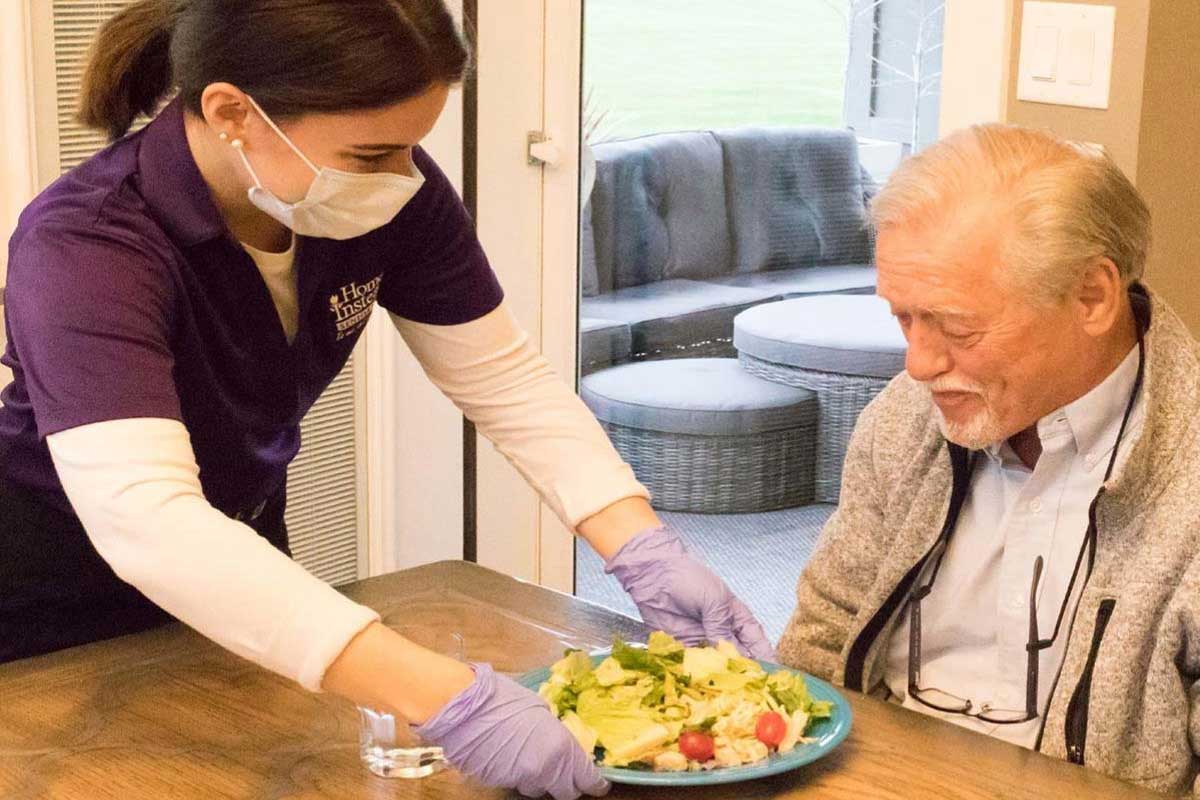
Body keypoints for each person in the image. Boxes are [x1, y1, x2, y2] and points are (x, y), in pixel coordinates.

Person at [0, 2, 773, 798]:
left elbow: (502, 377)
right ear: (234, 112)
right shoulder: (86, 243)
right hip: (48, 603)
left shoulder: (385, 188)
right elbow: (146, 517)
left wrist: (637, 541)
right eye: (371, 153)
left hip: (242, 571)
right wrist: (448, 696)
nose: (403, 177)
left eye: (413, 147)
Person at [776, 123, 1200, 795]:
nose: (918, 365)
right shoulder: (904, 418)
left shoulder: (1188, 475)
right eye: (902, 318)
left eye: (957, 327)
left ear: (1092, 296)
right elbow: (822, 642)